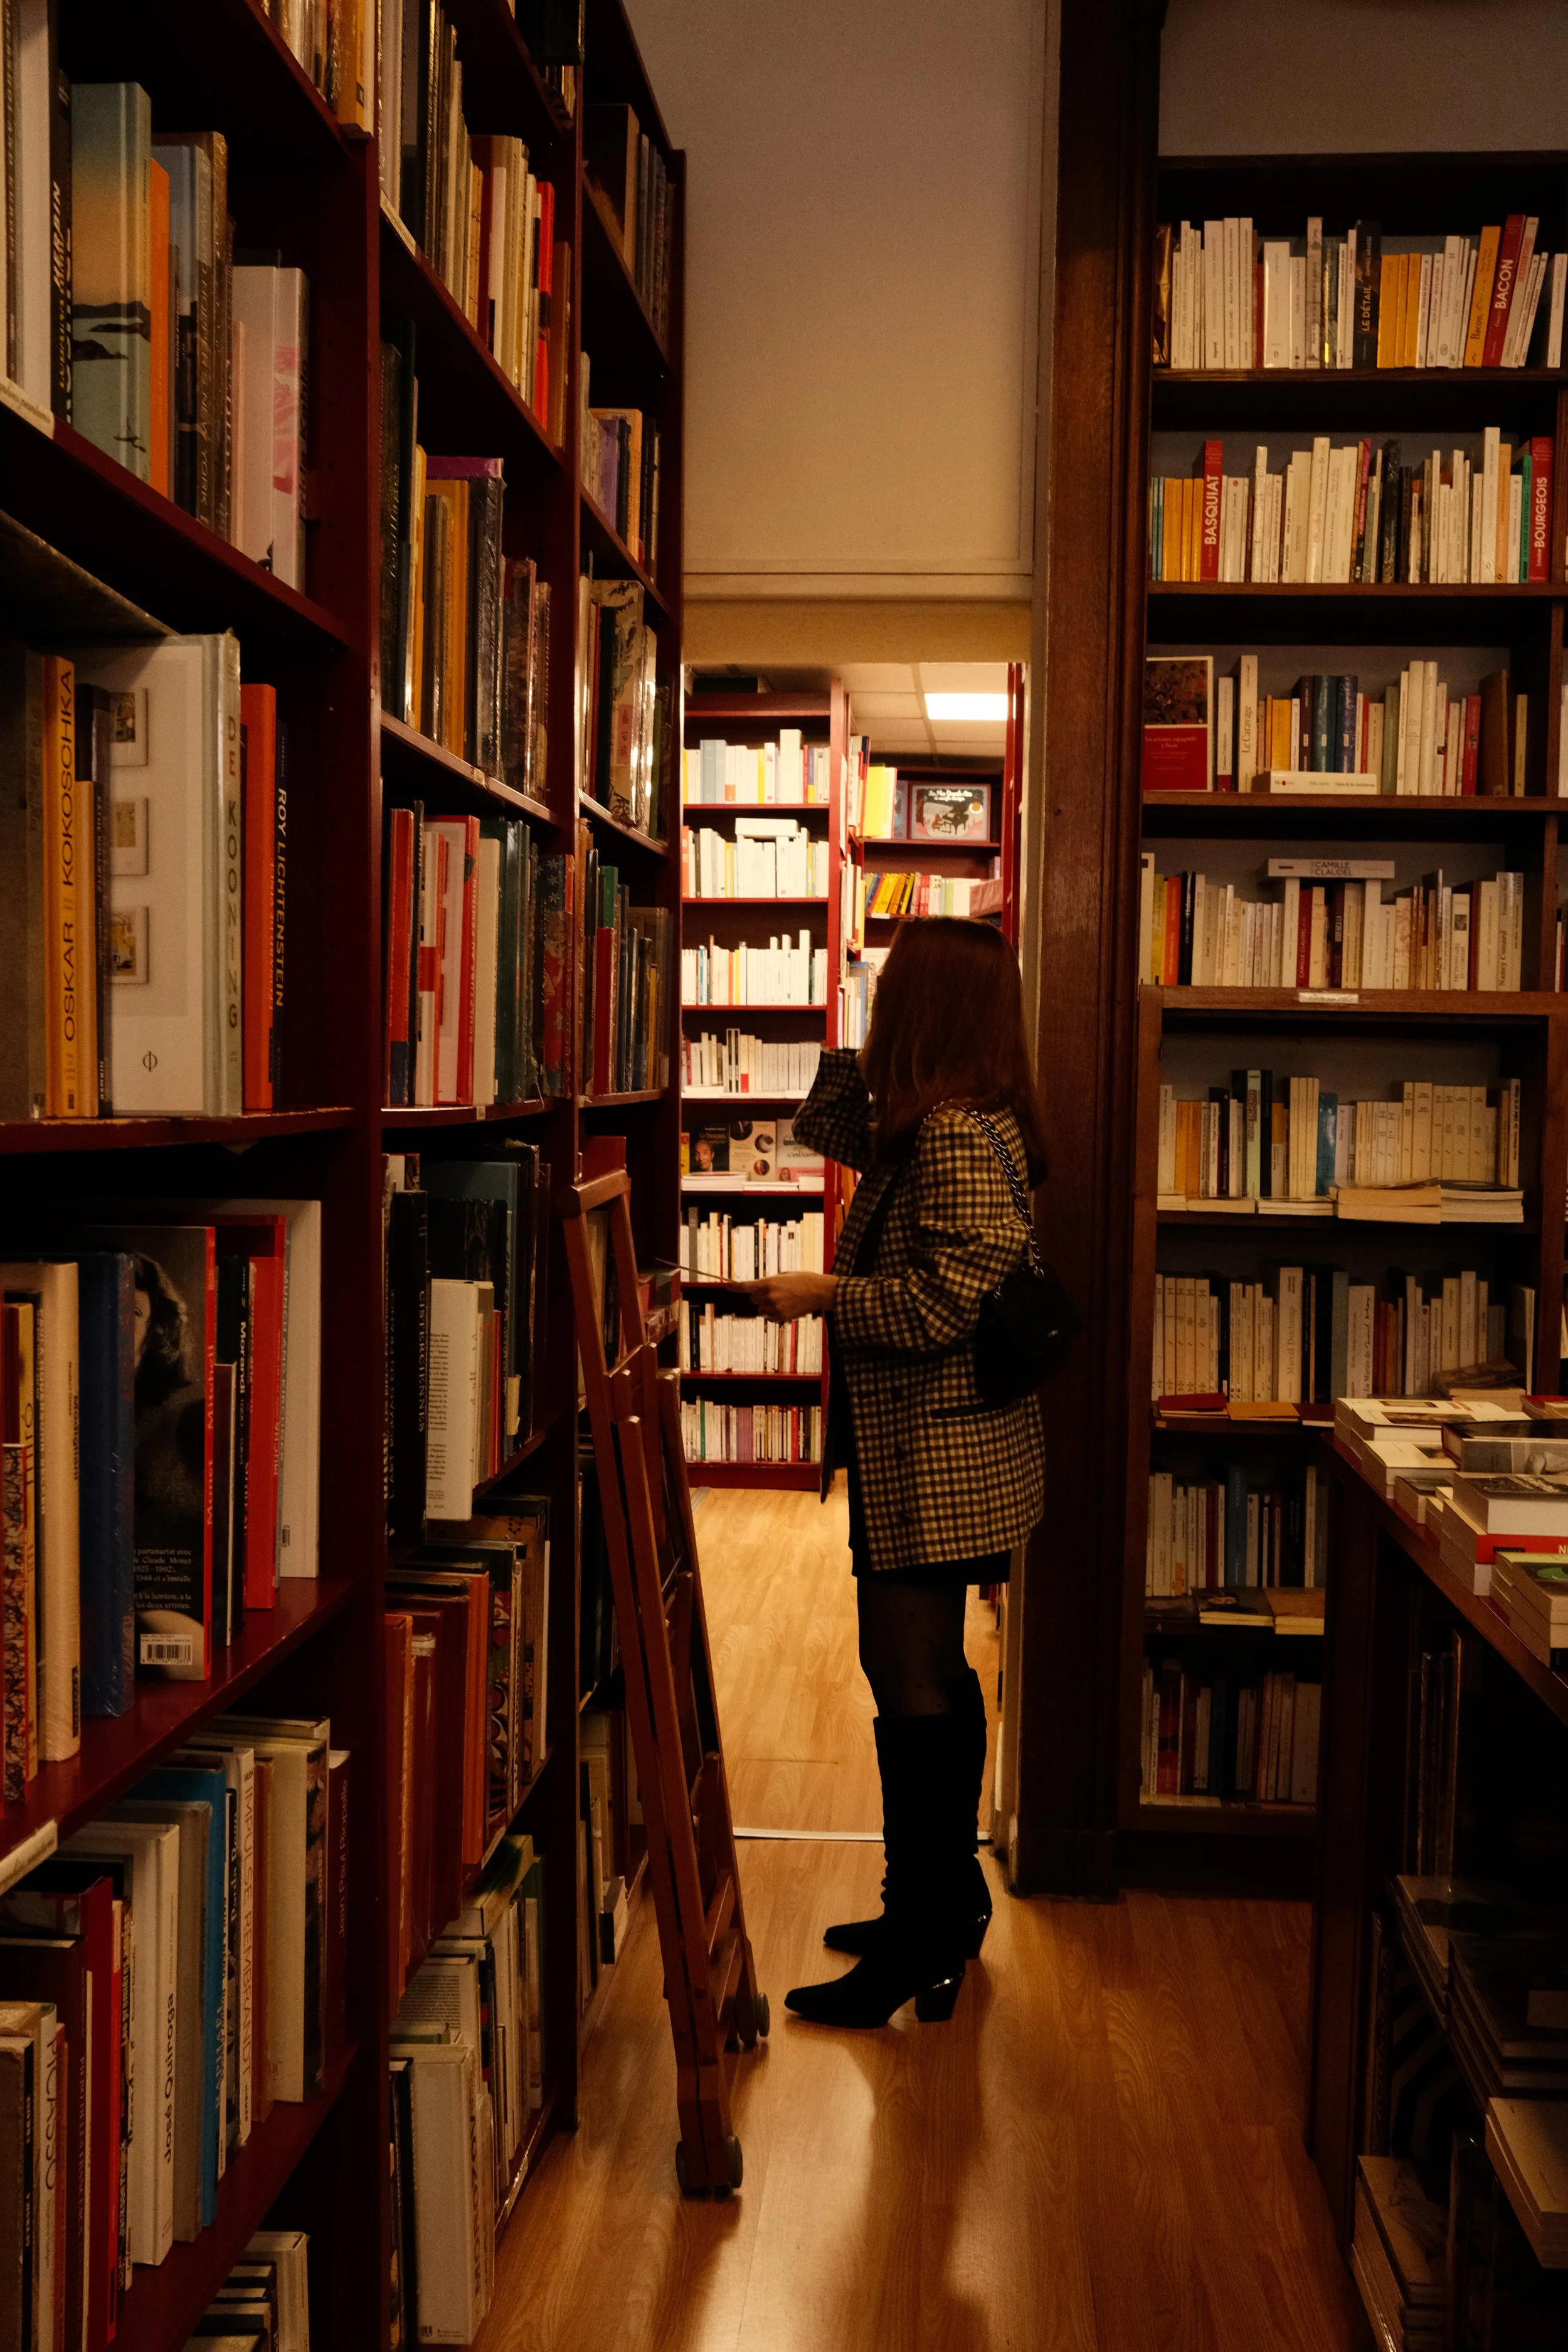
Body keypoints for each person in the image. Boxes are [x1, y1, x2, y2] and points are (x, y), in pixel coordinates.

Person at [730, 917, 1048, 2028]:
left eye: (891, 993)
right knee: (933, 1678)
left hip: (937, 1453)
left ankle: (919, 1931)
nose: (875, 1006)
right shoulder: (937, 1116)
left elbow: (939, 1304)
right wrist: (866, 1024)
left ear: (930, 1012)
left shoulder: (955, 1133)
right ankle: (940, 1901)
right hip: (938, 1452)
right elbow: (833, 1119)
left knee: (909, 1677)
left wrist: (824, 1297)